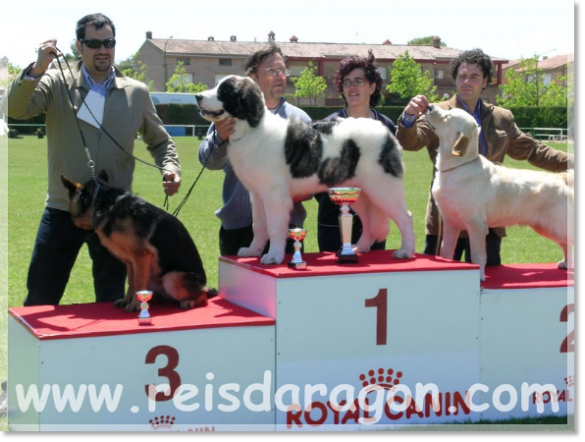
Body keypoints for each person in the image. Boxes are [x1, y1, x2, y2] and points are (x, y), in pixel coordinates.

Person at [3, 13, 181, 306]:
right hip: (63, 208)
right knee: (39, 300)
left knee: (111, 301)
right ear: (78, 46)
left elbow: (160, 141)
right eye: (94, 43)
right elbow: (12, 108)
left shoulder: (136, 92)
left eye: (108, 42)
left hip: (115, 214)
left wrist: (170, 167)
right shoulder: (55, 82)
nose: (103, 49)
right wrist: (37, 68)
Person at [396, 48, 573, 265]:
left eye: (474, 77)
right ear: (455, 80)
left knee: (487, 287)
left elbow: (533, 150)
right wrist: (408, 117)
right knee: (439, 289)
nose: (467, 82)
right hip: (445, 221)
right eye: (462, 76)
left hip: (488, 222)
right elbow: (411, 141)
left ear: (485, 82)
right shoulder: (439, 112)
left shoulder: (501, 118)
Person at [198, 43, 311, 256]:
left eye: (282, 70)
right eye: (271, 71)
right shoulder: (227, 113)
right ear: (252, 77)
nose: (280, 76)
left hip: (287, 229)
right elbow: (208, 162)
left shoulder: (300, 120)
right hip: (238, 228)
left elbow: (310, 186)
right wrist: (220, 138)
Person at [315, 50, 397, 253]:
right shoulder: (327, 126)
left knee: (371, 282)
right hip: (334, 223)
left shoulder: (386, 126)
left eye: (358, 81)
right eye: (347, 82)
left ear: (372, 86)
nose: (351, 87)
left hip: (374, 223)